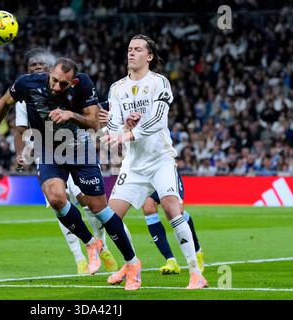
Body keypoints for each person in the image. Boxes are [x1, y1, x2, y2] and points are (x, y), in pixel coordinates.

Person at [0, 57, 141, 290]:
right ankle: (90, 243)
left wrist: (71, 115)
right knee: (56, 198)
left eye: (63, 84)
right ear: (49, 74)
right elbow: (4, 103)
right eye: (54, 81)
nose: (56, 87)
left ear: (72, 82)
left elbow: (94, 123)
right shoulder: (27, 84)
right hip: (48, 150)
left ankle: (132, 263)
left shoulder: (83, 83)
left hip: (79, 148)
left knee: (99, 209)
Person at [104, 34, 208, 289]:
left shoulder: (159, 82)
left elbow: (159, 119)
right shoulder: (117, 88)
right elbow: (112, 122)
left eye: (138, 49)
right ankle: (130, 264)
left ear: (149, 56)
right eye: (129, 49)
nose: (131, 53)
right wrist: (123, 127)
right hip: (134, 163)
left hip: (160, 159)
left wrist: (131, 133)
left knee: (173, 209)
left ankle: (196, 273)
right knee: (110, 216)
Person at [14, 49, 118, 275]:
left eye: (41, 63)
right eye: (33, 65)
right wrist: (20, 152)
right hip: (49, 155)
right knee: (58, 202)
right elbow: (20, 128)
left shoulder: (68, 87)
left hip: (77, 153)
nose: (37, 67)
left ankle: (103, 247)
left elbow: (89, 114)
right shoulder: (25, 95)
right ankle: (80, 257)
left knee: (91, 204)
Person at [101, 106, 205, 275]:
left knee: (176, 211)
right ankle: (169, 260)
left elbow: (155, 122)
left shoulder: (150, 100)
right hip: (138, 169)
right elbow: (111, 135)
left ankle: (197, 252)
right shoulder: (118, 102)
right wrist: (113, 124)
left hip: (159, 163)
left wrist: (129, 126)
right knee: (147, 208)